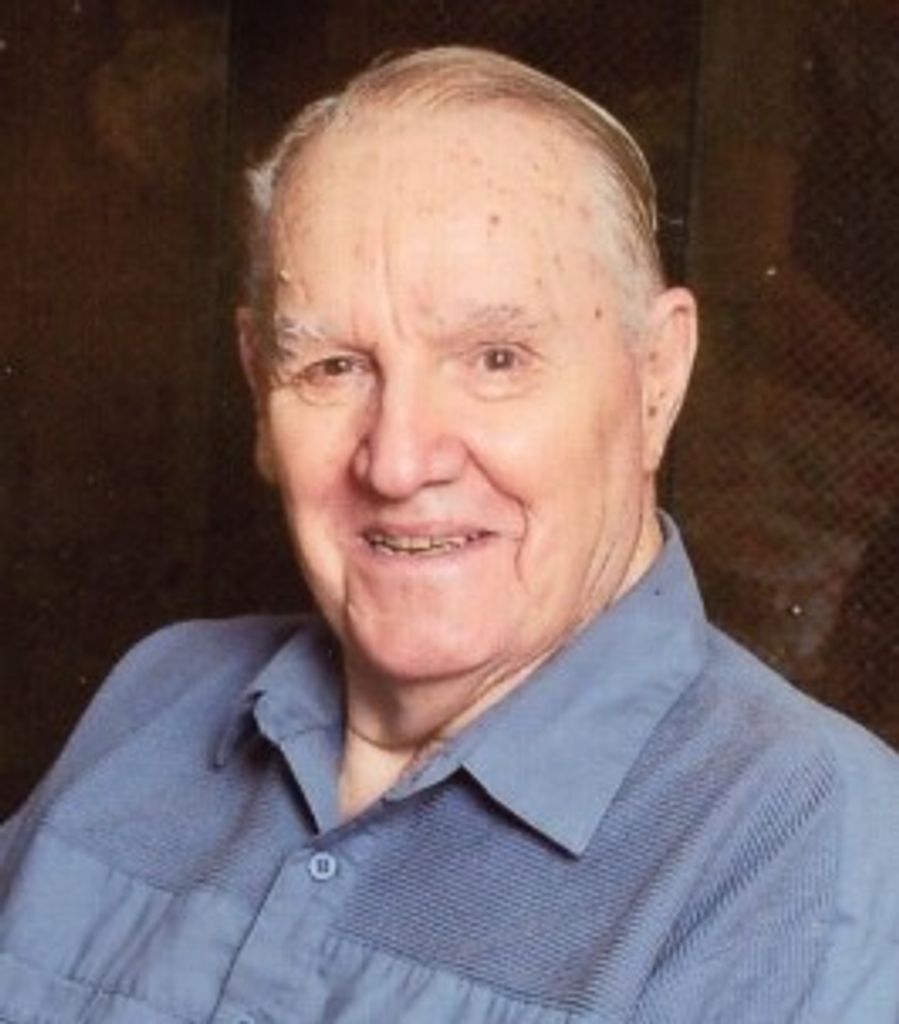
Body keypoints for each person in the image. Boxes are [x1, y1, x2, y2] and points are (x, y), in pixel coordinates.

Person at [1, 46, 897, 1024]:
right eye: (334, 367)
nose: (396, 462)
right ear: (258, 386)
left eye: (495, 359)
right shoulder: (158, 698)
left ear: (656, 376)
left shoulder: (809, 848)